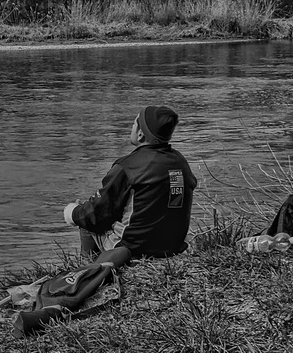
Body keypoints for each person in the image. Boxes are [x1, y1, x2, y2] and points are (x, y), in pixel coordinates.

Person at [64, 105, 198, 269]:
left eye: (134, 123)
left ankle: (86, 271)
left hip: (133, 249)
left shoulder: (128, 166)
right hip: (172, 247)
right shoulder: (181, 162)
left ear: (141, 134)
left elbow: (96, 213)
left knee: (85, 217)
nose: (132, 127)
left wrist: (72, 212)